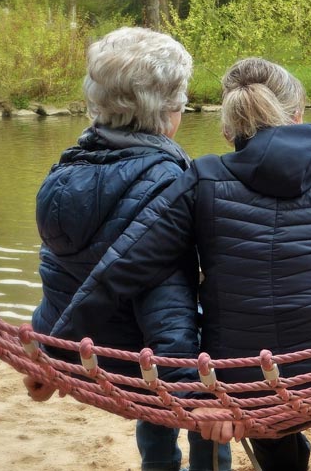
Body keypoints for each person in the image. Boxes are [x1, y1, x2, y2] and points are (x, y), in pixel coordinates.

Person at [53, 57, 311, 471]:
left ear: (228, 130)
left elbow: (123, 268)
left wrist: (54, 349)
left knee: (267, 422)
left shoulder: (200, 180)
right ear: (297, 116)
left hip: (242, 383)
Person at [24, 26, 231, 471]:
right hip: (145, 360)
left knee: (156, 385)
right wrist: (192, 393)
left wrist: (49, 351)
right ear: (168, 112)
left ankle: (158, 462)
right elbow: (166, 301)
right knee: (213, 358)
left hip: (86, 351)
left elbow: (58, 275)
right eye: (181, 103)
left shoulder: (61, 175)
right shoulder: (170, 183)